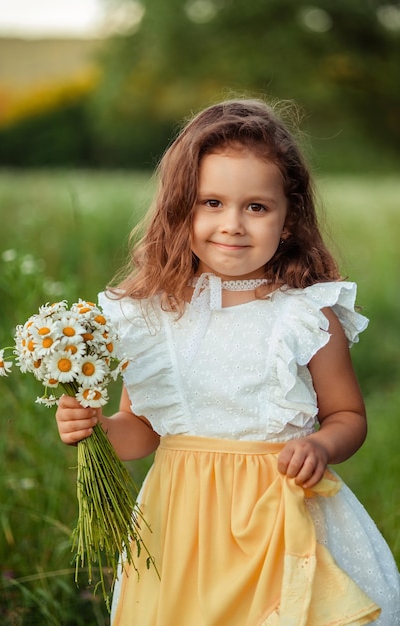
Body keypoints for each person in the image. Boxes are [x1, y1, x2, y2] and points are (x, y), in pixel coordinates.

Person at [56, 98, 400, 625]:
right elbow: (142, 429)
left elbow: (348, 417)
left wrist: (320, 444)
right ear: (180, 209)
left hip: (282, 520)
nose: (232, 224)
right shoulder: (153, 317)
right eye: (211, 203)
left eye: (256, 207)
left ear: (288, 220)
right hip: (180, 529)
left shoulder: (306, 316)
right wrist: (96, 428)